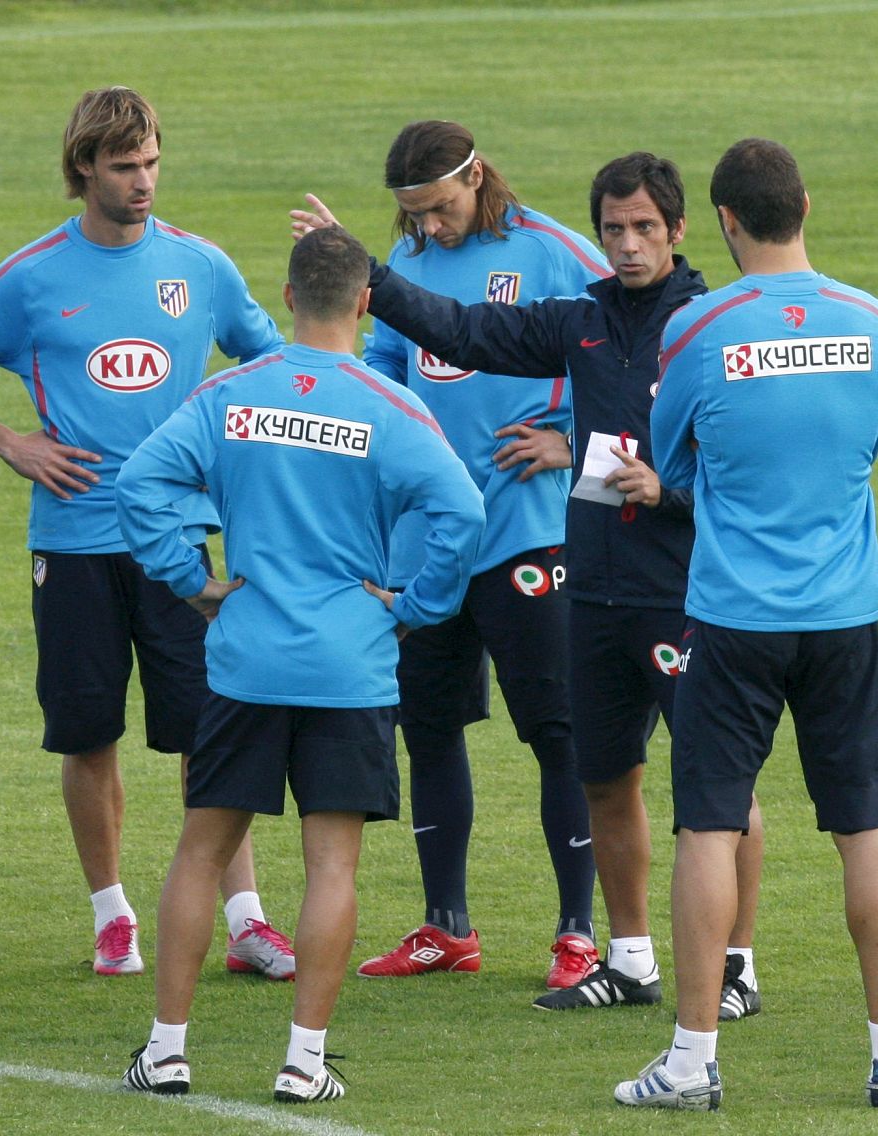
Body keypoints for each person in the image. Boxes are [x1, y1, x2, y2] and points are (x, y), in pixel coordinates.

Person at [292, 152, 765, 1016]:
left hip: (688, 585)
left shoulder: (707, 323)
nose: (627, 246)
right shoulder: (578, 320)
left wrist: (668, 484)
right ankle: (628, 960)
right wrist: (362, 271)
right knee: (605, 773)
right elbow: (463, 331)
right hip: (594, 583)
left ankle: (736, 965)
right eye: (614, 230)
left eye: (644, 229)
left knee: (718, 779)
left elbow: (751, 461)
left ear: (679, 230)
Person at [114, 227, 484, 1102]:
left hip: (246, 658)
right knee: (333, 868)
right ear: (364, 303)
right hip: (350, 663)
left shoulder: (230, 393)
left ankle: (166, 1051)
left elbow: (137, 485)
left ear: (286, 297)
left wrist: (190, 581)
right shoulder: (391, 408)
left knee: (203, 853)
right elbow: (463, 512)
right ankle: (303, 1063)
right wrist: (418, 607)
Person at [613, 138, 878, 1110]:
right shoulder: (871, 322)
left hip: (732, 615)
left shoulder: (695, 326)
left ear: (720, 220)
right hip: (843, 613)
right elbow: (868, 439)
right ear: (803, 200)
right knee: (867, 826)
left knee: (708, 824)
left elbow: (668, 456)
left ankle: (689, 1058)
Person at [0, 85, 294, 979]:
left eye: (151, 162)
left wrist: (240, 453)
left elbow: (275, 363)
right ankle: (112, 915)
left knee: (209, 729)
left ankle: (248, 921)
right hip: (71, 541)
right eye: (123, 166)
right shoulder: (29, 279)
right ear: (83, 171)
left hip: (179, 540)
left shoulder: (203, 267)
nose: (143, 181)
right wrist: (7, 443)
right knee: (87, 734)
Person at [344, 120, 606, 989]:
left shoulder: (556, 253)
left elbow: (640, 352)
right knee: (430, 728)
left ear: (478, 177)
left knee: (557, 732)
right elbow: (381, 365)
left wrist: (572, 439)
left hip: (528, 533)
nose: (428, 228)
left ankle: (577, 933)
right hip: (427, 545)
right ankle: (445, 925)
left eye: (440, 209)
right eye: (413, 216)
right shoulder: (405, 264)